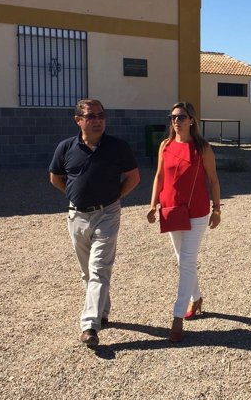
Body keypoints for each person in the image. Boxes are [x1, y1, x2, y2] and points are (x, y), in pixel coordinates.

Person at [49, 99, 140, 347]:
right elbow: (55, 177)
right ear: (78, 120)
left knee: (99, 267)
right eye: (91, 116)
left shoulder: (118, 147)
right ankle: (102, 311)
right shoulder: (66, 147)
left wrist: (116, 197)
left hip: (107, 214)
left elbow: (133, 177)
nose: (98, 120)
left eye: (101, 115)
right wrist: (74, 195)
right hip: (76, 216)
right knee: (87, 272)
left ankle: (89, 325)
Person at [147, 102, 221, 343]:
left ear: (192, 120)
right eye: (172, 117)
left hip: (196, 212)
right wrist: (153, 204)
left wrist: (217, 209)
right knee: (183, 260)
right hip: (171, 210)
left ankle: (177, 316)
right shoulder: (165, 145)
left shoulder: (202, 148)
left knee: (187, 261)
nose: (176, 121)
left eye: (180, 117)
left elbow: (213, 179)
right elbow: (159, 176)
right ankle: (196, 298)